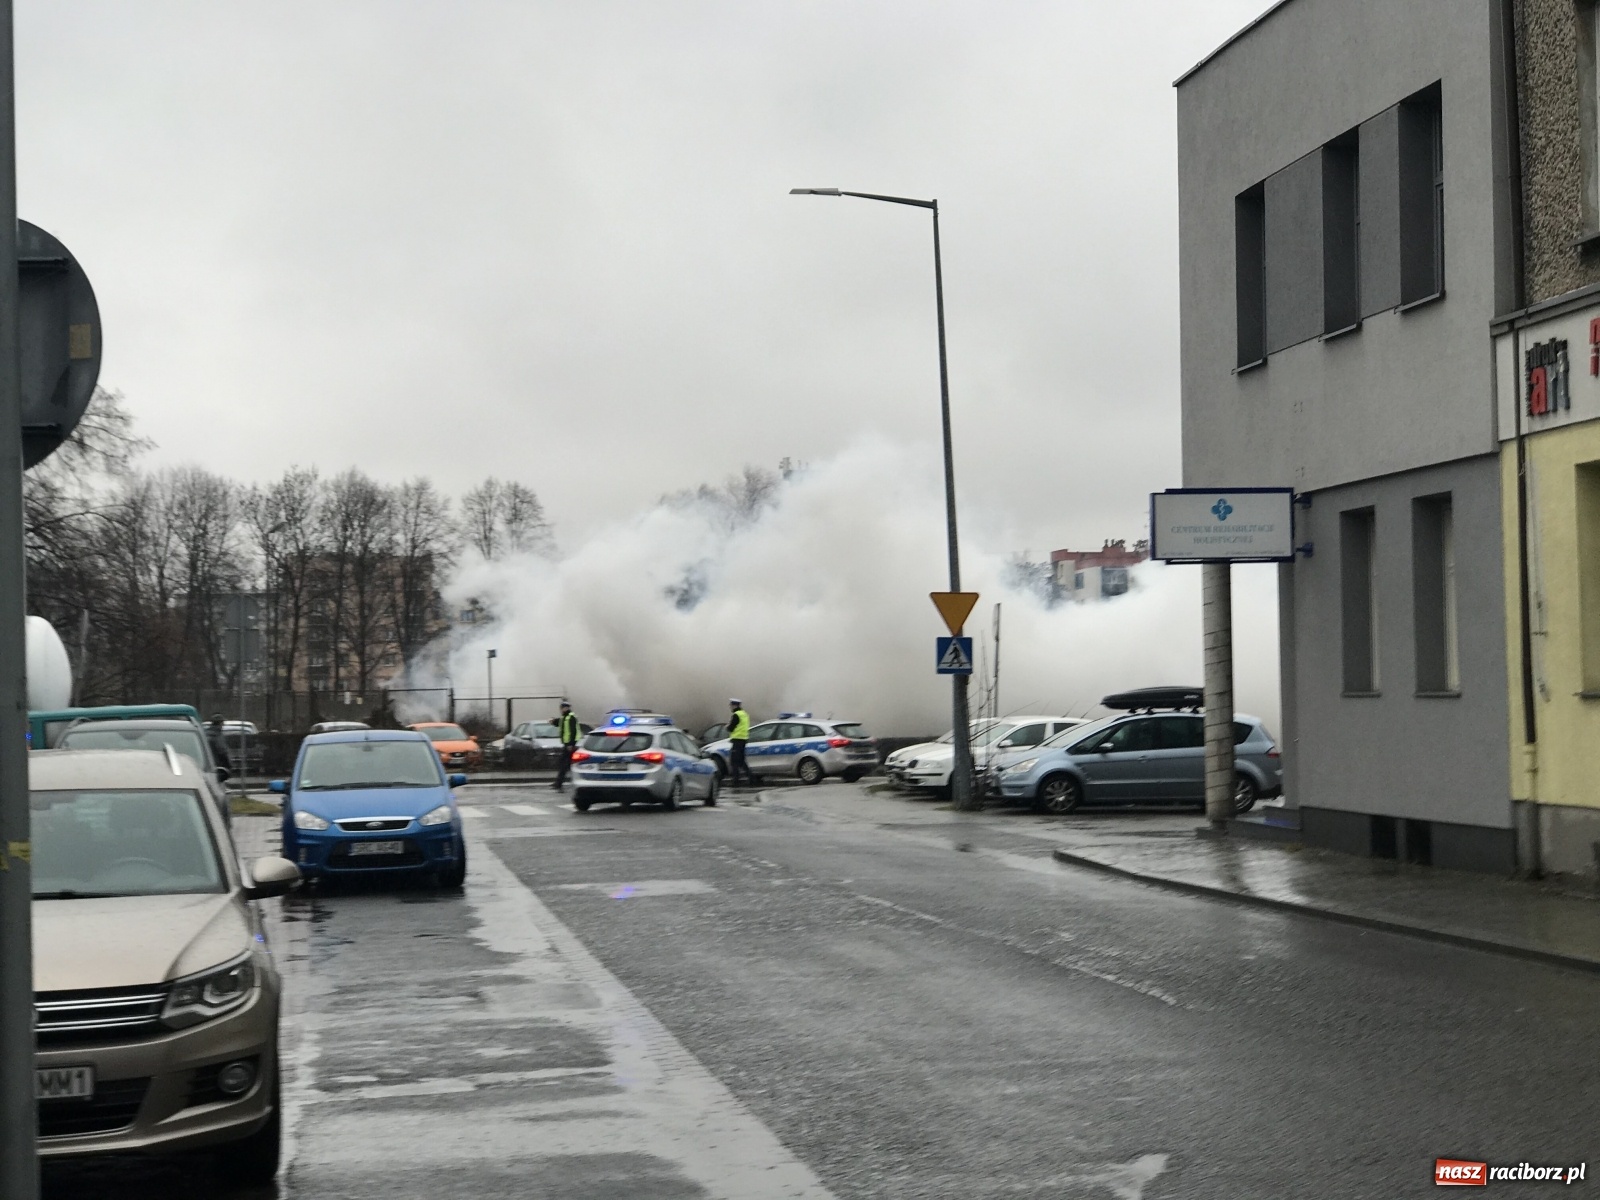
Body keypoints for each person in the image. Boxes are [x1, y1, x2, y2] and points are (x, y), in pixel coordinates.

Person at [553, 701, 581, 791]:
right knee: (566, 764)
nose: (562, 710)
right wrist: (553, 721)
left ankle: (559, 783)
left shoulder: (570, 717)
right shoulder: (565, 717)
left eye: (564, 708)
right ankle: (558, 783)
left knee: (565, 764)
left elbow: (573, 731)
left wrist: (570, 744)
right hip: (567, 744)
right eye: (562, 708)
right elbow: (560, 724)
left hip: (570, 744)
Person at [727, 699, 754, 789]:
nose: (730, 707)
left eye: (731, 705)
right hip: (743, 740)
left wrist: (727, 727)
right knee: (741, 761)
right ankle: (751, 778)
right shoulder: (744, 714)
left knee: (734, 761)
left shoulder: (736, 715)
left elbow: (731, 728)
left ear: (735, 706)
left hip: (737, 740)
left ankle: (735, 781)